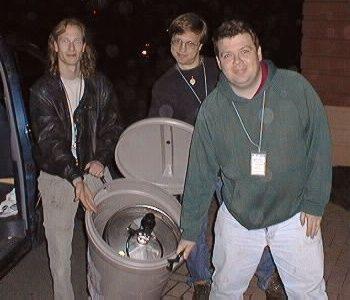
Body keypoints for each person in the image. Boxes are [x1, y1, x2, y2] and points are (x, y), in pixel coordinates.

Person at [177, 18, 332, 299]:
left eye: (244, 51)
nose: (237, 62)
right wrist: (189, 229)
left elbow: (319, 144)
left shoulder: (295, 89)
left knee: (308, 292)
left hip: (294, 216)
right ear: (220, 63)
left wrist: (315, 201)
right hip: (238, 218)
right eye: (227, 55)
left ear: (259, 52)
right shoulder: (212, 111)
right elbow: (200, 173)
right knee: (224, 290)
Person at [149, 13, 285, 299]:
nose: (182, 49)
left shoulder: (221, 69)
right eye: (177, 42)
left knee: (248, 213)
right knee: (194, 222)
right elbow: (157, 134)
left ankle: (267, 275)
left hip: (229, 160)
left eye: (190, 43)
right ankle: (200, 279)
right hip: (191, 165)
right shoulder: (164, 85)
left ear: (201, 45)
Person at [30, 18, 122, 299]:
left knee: (105, 247)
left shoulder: (99, 85)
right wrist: (74, 176)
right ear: (55, 46)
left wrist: (101, 158)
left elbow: (113, 126)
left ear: (84, 47)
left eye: (77, 40)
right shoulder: (42, 90)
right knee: (60, 255)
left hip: (93, 173)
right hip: (59, 177)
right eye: (65, 40)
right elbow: (50, 142)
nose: (71, 46)